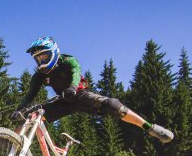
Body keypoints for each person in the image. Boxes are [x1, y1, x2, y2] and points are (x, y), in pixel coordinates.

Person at [12, 37, 174, 144]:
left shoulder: (68, 61)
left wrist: (72, 88)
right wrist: (20, 109)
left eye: (44, 57)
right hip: (62, 101)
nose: (41, 62)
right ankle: (9, 142)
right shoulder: (39, 76)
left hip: (79, 95)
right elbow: (29, 95)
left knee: (113, 105)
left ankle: (150, 127)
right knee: (29, 116)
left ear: (54, 53)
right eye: (38, 59)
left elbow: (76, 72)